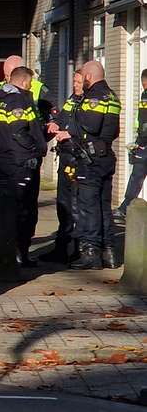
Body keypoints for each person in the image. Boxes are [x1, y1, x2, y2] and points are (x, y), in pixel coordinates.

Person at [0, 65, 48, 281]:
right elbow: (19, 130)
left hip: (4, 159)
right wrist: (33, 148)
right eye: (29, 83)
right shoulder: (17, 101)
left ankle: (3, 262)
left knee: (4, 211)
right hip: (18, 162)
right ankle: (8, 264)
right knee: (16, 213)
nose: (30, 87)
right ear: (23, 82)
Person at [61, 60, 121, 270]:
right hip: (105, 155)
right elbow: (113, 131)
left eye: (83, 76)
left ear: (88, 76)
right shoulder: (112, 96)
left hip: (90, 159)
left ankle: (90, 253)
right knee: (104, 207)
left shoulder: (94, 97)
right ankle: (109, 252)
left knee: (89, 208)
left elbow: (89, 125)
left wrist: (69, 128)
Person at [42, 69, 84, 264]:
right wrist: (54, 124)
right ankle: (61, 248)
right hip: (65, 156)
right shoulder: (72, 99)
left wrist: (68, 133)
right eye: (74, 81)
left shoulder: (88, 101)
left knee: (75, 205)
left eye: (78, 82)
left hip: (78, 158)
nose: (75, 85)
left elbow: (89, 127)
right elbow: (63, 117)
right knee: (63, 204)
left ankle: (77, 249)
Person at [115, 68, 147, 221]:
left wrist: (140, 141)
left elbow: (145, 122)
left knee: (137, 175)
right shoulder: (144, 95)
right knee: (137, 175)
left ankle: (125, 207)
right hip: (143, 143)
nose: (143, 86)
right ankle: (125, 207)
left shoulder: (146, 95)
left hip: (144, 143)